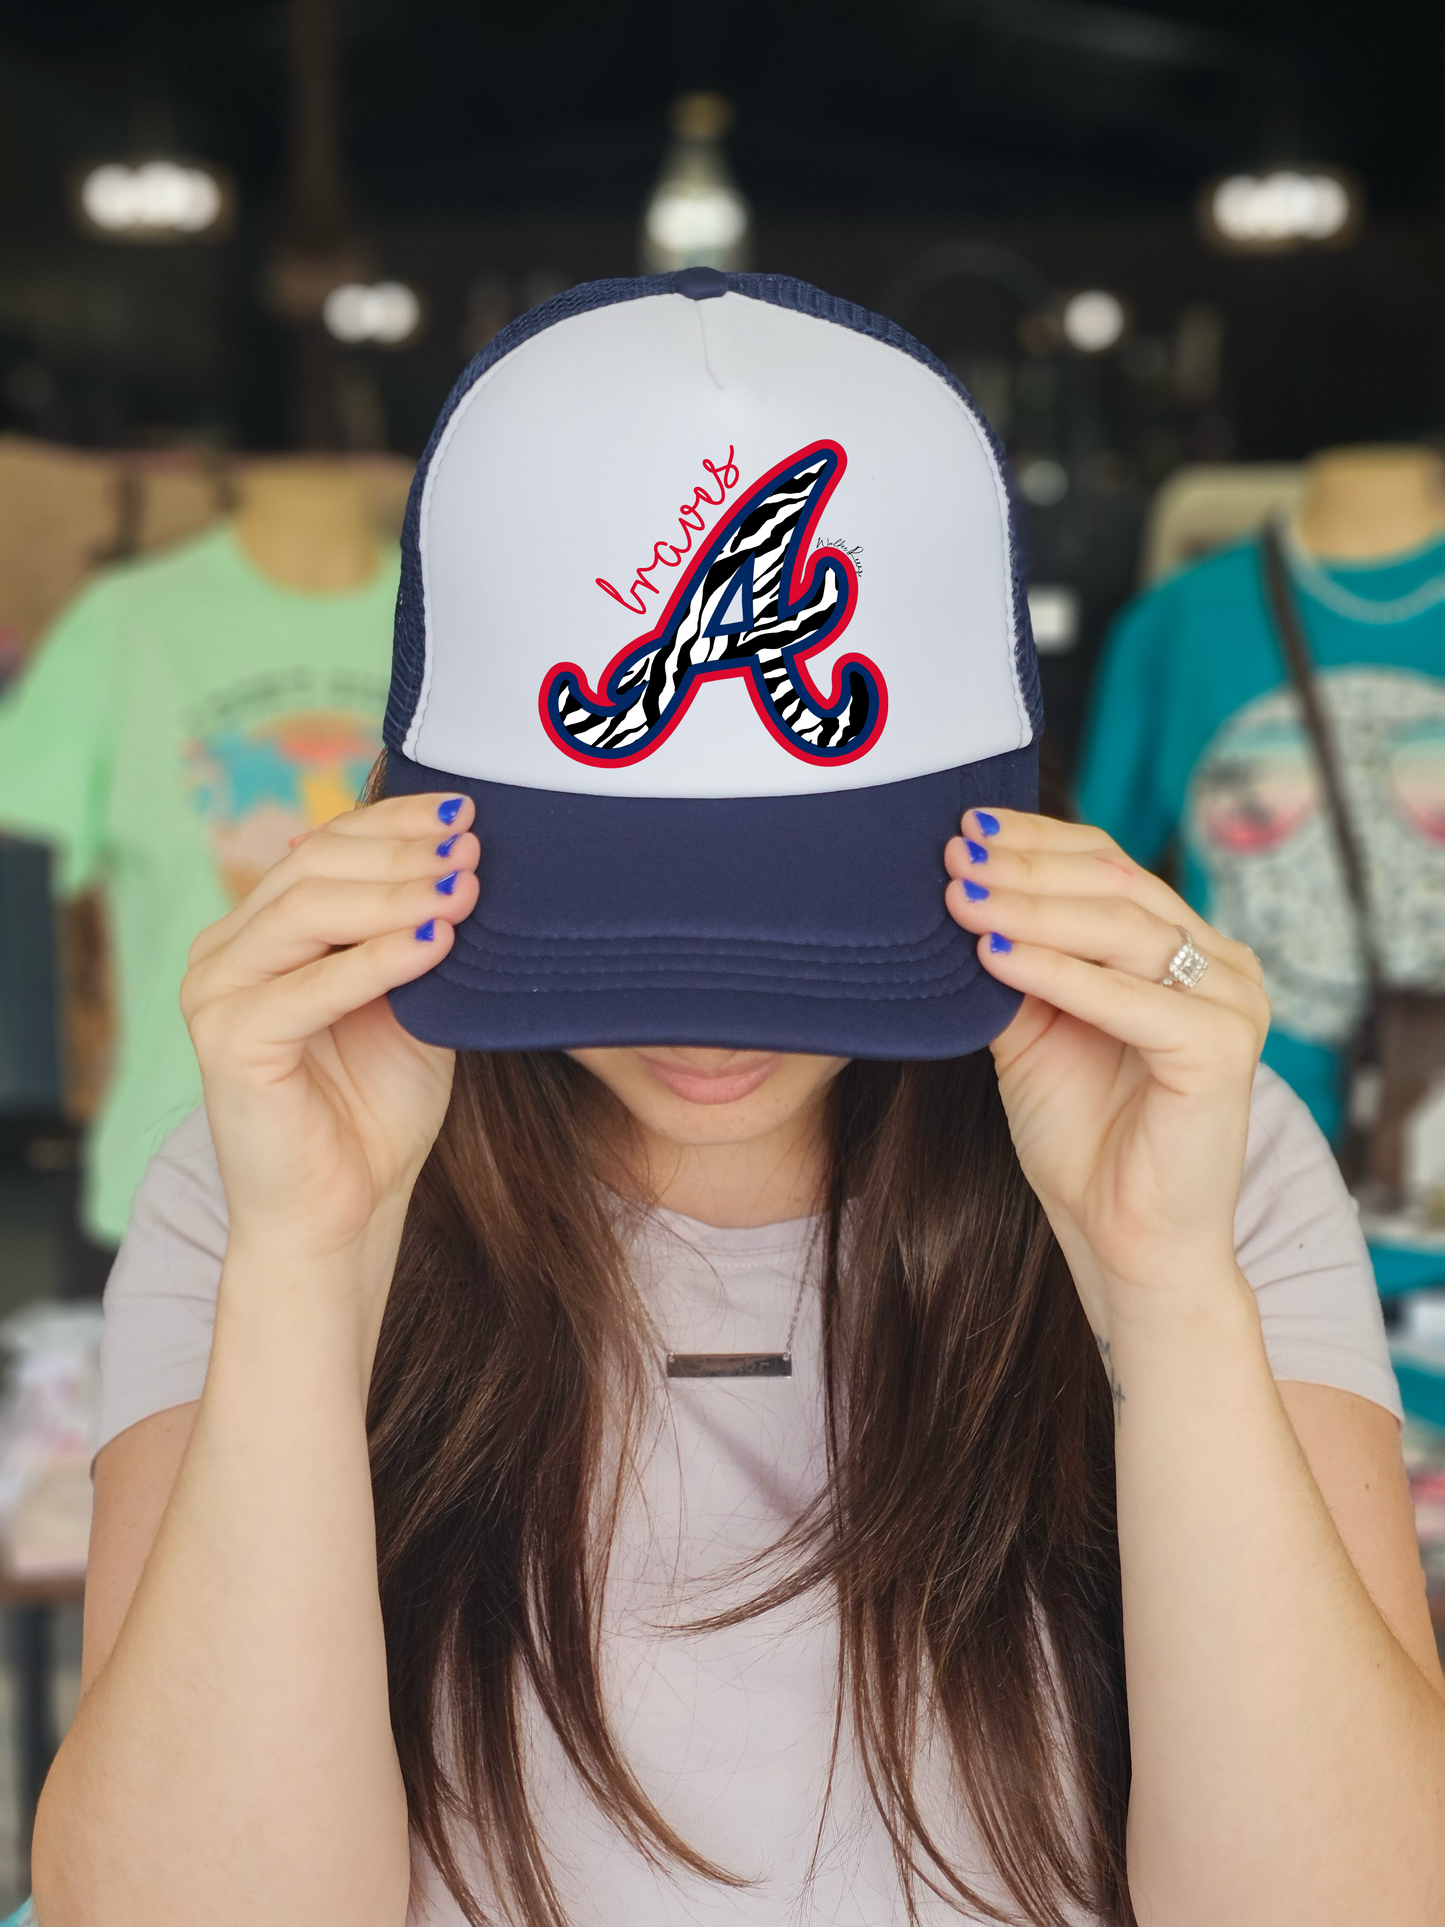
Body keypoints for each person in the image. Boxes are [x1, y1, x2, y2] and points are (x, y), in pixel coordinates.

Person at [33, 273, 1445, 1927]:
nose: (712, 1018)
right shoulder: (283, 1164)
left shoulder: (1193, 1150)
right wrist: (303, 1264)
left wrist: (1165, 1282)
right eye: (617, 914)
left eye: (804, 912)